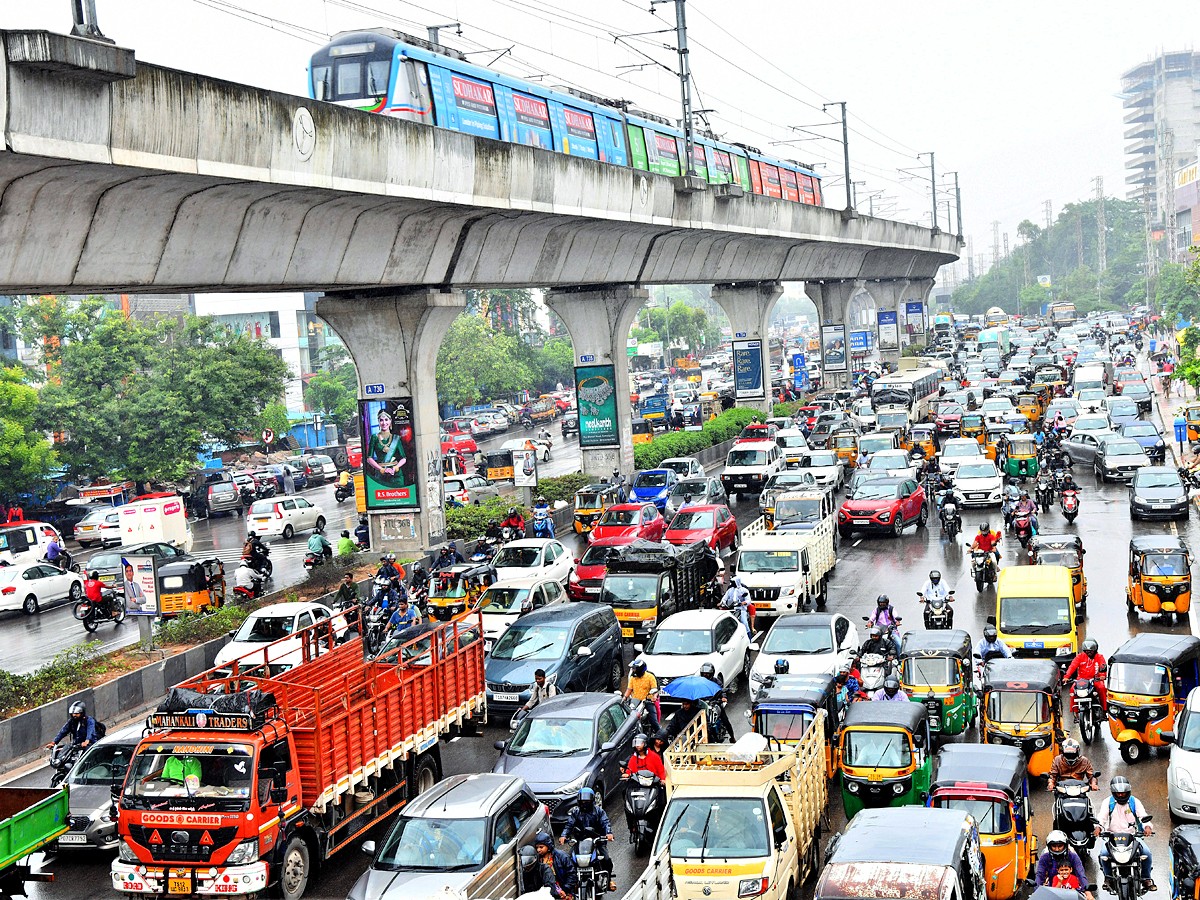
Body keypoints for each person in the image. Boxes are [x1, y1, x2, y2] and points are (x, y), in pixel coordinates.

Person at [1095, 776, 1155, 893]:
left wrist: (1147, 827)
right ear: (1113, 793)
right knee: (1103, 855)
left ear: (1128, 791)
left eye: (1124, 793)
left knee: (1146, 853)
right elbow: (1101, 818)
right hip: (1112, 836)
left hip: (1132, 836)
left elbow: (1143, 816)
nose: (1121, 795)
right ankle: (1108, 878)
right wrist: (1098, 827)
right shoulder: (1108, 802)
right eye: (1118, 793)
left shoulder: (1134, 801)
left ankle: (1146, 879)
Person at [560, 787, 615, 893]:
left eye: (587, 801)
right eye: (582, 801)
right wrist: (563, 835)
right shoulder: (576, 812)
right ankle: (572, 882)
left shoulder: (599, 811)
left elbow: (605, 822)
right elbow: (569, 825)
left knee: (607, 859)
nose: (584, 803)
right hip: (580, 842)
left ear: (592, 800)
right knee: (568, 860)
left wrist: (608, 833)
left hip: (597, 840)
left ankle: (608, 881)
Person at [1034, 830, 1091, 899]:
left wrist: (1088, 893)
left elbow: (1081, 874)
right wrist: (1036, 893)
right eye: (1054, 846)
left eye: (1060, 846)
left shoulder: (1073, 856)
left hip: (1073, 892)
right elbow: (1040, 876)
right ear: (1049, 846)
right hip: (1052, 891)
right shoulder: (1045, 857)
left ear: (1065, 845)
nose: (1057, 849)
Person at [366, 406, 408, 485]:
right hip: (381, 475)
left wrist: (395, 468)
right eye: (381, 420)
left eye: (386, 420)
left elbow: (404, 458)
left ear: (390, 421)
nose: (384, 423)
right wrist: (381, 469)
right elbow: (369, 459)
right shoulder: (374, 437)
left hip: (396, 476)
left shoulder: (396, 438)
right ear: (378, 422)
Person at [530, 831, 577, 900]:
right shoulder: (537, 860)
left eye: (541, 847)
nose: (538, 850)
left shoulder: (562, 856)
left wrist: (565, 889)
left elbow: (572, 875)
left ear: (548, 846)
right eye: (537, 847)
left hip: (564, 891)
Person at [1064, 639, 1108, 711]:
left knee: (1102, 688)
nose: (1089, 653)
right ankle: (1075, 711)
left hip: (1095, 679)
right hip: (1081, 680)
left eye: (1091, 651)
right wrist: (1066, 677)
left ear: (1095, 650)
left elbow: (1102, 666)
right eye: (1087, 651)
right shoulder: (1079, 657)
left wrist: (1102, 675)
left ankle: (1104, 709)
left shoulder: (1099, 657)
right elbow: (1072, 666)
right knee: (1072, 690)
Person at [699, 661, 735, 741]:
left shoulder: (716, 682)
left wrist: (723, 697)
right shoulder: (699, 682)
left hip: (715, 703)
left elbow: (721, 690)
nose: (705, 675)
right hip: (703, 704)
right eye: (704, 673)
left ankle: (732, 737)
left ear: (711, 674)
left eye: (707, 674)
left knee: (725, 720)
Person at [624, 660, 660, 728]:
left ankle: (658, 734)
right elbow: (629, 690)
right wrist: (624, 698)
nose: (633, 670)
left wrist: (654, 697)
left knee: (654, 721)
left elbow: (655, 690)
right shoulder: (632, 678)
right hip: (635, 703)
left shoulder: (650, 677)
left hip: (647, 702)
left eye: (634, 669)